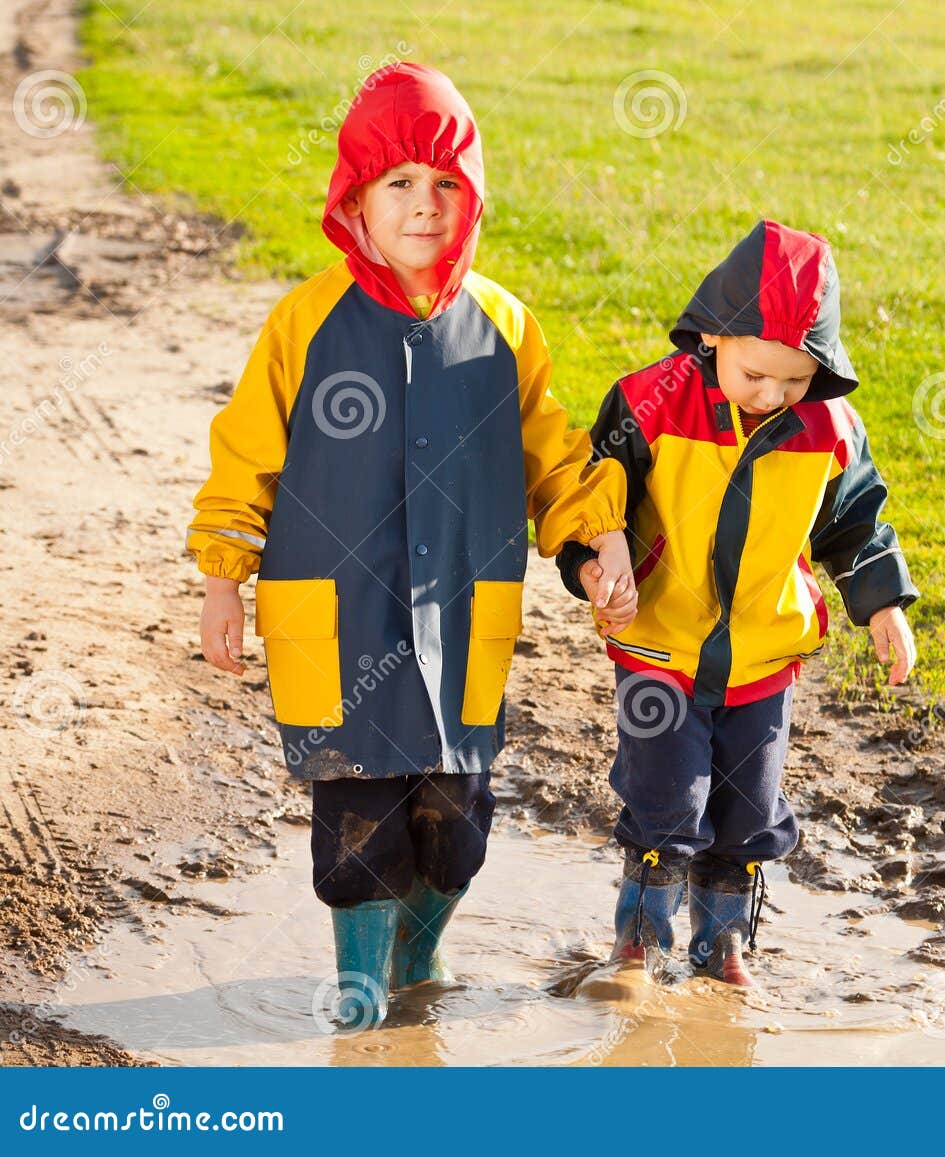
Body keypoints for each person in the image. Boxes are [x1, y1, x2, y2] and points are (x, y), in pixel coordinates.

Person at [185, 62, 633, 1029]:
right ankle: (356, 991)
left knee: (456, 830)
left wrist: (596, 536)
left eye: (446, 184)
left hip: (462, 623)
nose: (425, 206)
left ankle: (417, 954)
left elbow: (553, 455)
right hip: (337, 623)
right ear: (354, 199)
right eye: (399, 184)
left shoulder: (507, 326)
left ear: (472, 198)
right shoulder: (305, 322)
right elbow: (246, 460)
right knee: (359, 834)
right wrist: (225, 579)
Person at [558, 219, 918, 985]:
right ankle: (639, 942)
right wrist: (599, 556)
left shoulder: (829, 427)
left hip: (763, 656)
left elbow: (857, 522)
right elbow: (592, 488)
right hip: (659, 648)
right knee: (666, 802)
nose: (773, 394)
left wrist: (884, 603)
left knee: (750, 808)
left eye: (794, 379)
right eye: (756, 373)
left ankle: (722, 944)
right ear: (714, 337)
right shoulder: (650, 399)